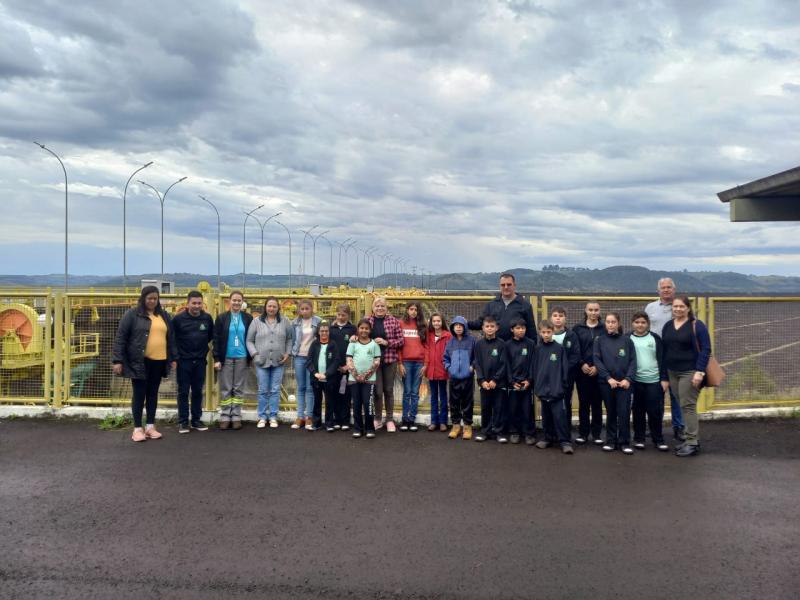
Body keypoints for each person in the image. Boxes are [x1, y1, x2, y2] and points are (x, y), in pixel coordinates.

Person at [112, 286, 176, 442]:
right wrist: (117, 360)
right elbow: (121, 337)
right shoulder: (132, 315)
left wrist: (174, 358)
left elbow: (171, 339)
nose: (152, 301)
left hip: (159, 361)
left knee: (153, 394)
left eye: (155, 298)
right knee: (139, 394)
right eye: (149, 298)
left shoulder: (164, 315)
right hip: (140, 362)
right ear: (143, 298)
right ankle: (137, 429)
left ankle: (150, 426)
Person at [661, 296, 711, 457]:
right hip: (672, 371)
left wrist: (700, 371)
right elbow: (665, 351)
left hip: (689, 372)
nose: (678, 309)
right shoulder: (668, 326)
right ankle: (689, 439)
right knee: (682, 404)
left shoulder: (696, 325)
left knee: (688, 405)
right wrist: (664, 375)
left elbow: (705, 349)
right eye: (675, 306)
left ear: (688, 308)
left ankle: (692, 442)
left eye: (681, 306)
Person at [645, 278, 685, 441]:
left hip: (675, 356)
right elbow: (644, 328)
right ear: (658, 290)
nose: (666, 290)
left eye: (669, 287)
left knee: (677, 394)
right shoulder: (650, 307)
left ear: (674, 290)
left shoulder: (679, 307)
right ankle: (656, 427)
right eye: (663, 287)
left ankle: (679, 427)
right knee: (656, 395)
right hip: (655, 357)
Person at [171, 290, 214, 434]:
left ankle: (196, 420)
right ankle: (183, 422)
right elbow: (172, 340)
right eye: (194, 303)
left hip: (200, 361)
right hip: (183, 362)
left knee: (197, 391)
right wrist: (175, 358)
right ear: (187, 303)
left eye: (199, 303)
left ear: (202, 304)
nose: (196, 306)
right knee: (183, 392)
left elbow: (209, 337)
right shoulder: (178, 320)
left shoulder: (207, 318)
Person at [246, 297, 293, 429]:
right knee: (262, 389)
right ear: (265, 307)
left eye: (274, 306)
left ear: (278, 308)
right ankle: (262, 416)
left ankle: (273, 416)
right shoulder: (256, 322)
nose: (271, 309)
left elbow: (289, 339)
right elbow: (249, 340)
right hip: (261, 361)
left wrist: (287, 353)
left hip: (278, 361)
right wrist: (255, 354)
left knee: (275, 389)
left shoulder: (285, 321)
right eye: (269, 306)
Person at [594, 312, 637, 454]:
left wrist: (628, 379)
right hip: (607, 384)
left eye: (613, 322)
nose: (610, 324)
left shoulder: (627, 341)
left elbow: (633, 361)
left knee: (624, 413)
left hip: (624, 384)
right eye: (608, 322)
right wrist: (608, 378)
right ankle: (611, 441)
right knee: (611, 412)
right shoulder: (599, 340)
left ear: (618, 323)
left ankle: (624, 442)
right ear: (605, 323)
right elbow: (597, 360)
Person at [213, 290, 253, 430]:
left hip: (242, 357)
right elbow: (216, 339)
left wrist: (251, 356)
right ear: (229, 301)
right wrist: (216, 358)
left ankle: (236, 416)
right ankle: (225, 415)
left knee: (238, 388)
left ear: (242, 302)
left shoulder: (248, 318)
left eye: (239, 300)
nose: (236, 302)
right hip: (226, 358)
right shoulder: (222, 318)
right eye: (234, 300)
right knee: (226, 388)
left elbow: (251, 338)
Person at [629, 312, 670, 451]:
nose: (640, 325)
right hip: (635, 381)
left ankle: (658, 439)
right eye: (637, 322)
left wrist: (664, 378)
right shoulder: (627, 338)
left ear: (648, 324)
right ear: (632, 323)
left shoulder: (655, 338)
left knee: (655, 411)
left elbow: (663, 360)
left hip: (654, 381)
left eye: (643, 322)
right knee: (638, 411)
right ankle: (639, 439)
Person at [532, 320, 573, 454]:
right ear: (540, 333)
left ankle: (565, 441)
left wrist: (563, 386)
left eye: (548, 332)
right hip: (543, 390)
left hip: (557, 390)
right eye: (543, 332)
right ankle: (547, 438)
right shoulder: (537, 349)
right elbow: (535, 368)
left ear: (553, 332)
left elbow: (564, 369)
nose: (546, 335)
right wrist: (537, 387)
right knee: (546, 415)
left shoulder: (559, 348)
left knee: (560, 416)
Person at [367, 297, 404, 432]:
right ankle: (377, 418)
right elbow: (361, 337)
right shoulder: (368, 321)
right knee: (377, 391)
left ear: (386, 308)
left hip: (389, 360)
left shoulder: (393, 321)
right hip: (373, 361)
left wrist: (386, 342)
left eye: (382, 306)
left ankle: (389, 419)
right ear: (373, 308)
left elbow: (401, 341)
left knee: (388, 390)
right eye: (377, 306)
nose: (380, 308)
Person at [468, 272, 536, 342]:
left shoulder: (525, 305)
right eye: (503, 285)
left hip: (517, 349)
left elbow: (531, 330)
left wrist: (533, 349)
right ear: (500, 286)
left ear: (514, 285)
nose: (506, 287)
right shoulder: (492, 304)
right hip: (496, 347)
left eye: (509, 284)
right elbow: (480, 323)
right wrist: (463, 323)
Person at [572, 301, 605, 445]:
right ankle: (583, 433)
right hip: (582, 372)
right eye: (590, 310)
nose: (593, 312)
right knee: (584, 403)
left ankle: (597, 434)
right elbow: (575, 349)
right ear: (585, 311)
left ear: (599, 311)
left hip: (599, 372)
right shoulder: (577, 328)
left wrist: (598, 367)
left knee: (597, 403)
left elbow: (607, 350)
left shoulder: (604, 328)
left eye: (596, 310)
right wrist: (582, 363)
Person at [549, 306, 582, 443]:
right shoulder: (547, 334)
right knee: (549, 404)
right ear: (551, 318)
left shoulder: (571, 335)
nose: (558, 318)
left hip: (566, 377)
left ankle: (565, 433)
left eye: (561, 315)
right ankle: (551, 434)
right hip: (549, 378)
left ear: (565, 318)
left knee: (565, 405)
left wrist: (563, 369)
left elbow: (575, 356)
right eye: (555, 315)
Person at [473, 316, 508, 443]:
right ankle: (485, 432)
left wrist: (495, 380)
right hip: (484, 384)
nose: (489, 328)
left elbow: (504, 364)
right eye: (487, 326)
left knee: (499, 408)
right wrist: (482, 380)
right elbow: (477, 363)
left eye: (492, 326)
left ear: (496, 328)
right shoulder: (478, 344)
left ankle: (499, 432)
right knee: (485, 407)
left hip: (498, 384)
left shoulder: (502, 344)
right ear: (482, 328)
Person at [346, 318, 381, 439]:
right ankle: (358, 428)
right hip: (354, 379)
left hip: (369, 380)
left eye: (366, 328)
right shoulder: (352, 344)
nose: (364, 330)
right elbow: (349, 361)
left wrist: (365, 376)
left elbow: (376, 362)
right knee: (356, 404)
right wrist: (356, 375)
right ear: (358, 329)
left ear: (370, 330)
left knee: (368, 404)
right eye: (361, 328)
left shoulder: (374, 344)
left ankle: (370, 428)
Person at [504, 318, 537, 445]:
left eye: (523, 328)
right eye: (518, 328)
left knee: (527, 409)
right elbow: (506, 365)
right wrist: (511, 381)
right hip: (513, 384)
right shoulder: (507, 345)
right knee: (513, 409)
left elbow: (533, 364)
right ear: (512, 330)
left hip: (527, 383)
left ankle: (529, 433)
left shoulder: (530, 344)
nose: (521, 330)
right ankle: (514, 432)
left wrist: (529, 380)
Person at [443, 316, 476, 440]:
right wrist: (448, 367)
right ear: (452, 328)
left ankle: (467, 426)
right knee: (454, 402)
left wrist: (472, 366)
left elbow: (476, 357)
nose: (458, 328)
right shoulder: (450, 342)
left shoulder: (472, 340)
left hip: (468, 377)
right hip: (454, 377)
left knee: (468, 402)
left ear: (465, 327)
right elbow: (445, 358)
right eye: (455, 326)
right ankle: (456, 425)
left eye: (460, 325)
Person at [291, 299, 322, 430]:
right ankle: (300, 416)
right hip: (299, 357)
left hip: (312, 358)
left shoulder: (318, 321)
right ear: (299, 310)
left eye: (307, 308)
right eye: (302, 309)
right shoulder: (294, 323)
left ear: (311, 309)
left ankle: (309, 416)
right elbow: (292, 339)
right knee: (301, 387)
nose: (304, 311)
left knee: (310, 388)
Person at [307, 322, 342, 432]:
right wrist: (315, 373)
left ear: (329, 332)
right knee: (317, 401)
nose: (324, 333)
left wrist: (326, 374)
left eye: (326, 331)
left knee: (330, 401)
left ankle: (329, 423)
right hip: (316, 379)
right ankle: (316, 423)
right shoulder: (314, 344)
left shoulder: (333, 344)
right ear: (318, 332)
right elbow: (309, 361)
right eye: (322, 331)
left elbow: (336, 361)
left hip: (329, 379)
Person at [398, 302, 427, 431]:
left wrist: (426, 364)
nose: (413, 311)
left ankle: (412, 419)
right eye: (411, 309)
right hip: (406, 363)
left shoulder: (422, 325)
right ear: (407, 310)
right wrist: (400, 363)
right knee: (407, 392)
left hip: (419, 363)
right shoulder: (401, 324)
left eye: (416, 309)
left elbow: (427, 346)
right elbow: (399, 346)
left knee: (415, 393)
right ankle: (405, 418)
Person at [328, 304, 356, 430]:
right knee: (333, 393)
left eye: (343, 315)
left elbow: (355, 349)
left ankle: (345, 420)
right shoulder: (331, 329)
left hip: (347, 367)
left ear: (348, 316)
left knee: (346, 394)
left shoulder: (352, 329)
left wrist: (347, 366)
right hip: (333, 367)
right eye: (339, 315)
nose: (340, 317)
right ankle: (336, 419)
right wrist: (333, 366)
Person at [425, 313, 451, 432]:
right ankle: (434, 421)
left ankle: (443, 422)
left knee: (443, 396)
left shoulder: (448, 336)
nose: (436, 323)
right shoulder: (428, 335)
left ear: (442, 322)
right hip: (431, 370)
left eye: (438, 321)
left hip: (443, 370)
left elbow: (450, 353)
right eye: (434, 321)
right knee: (433, 397)